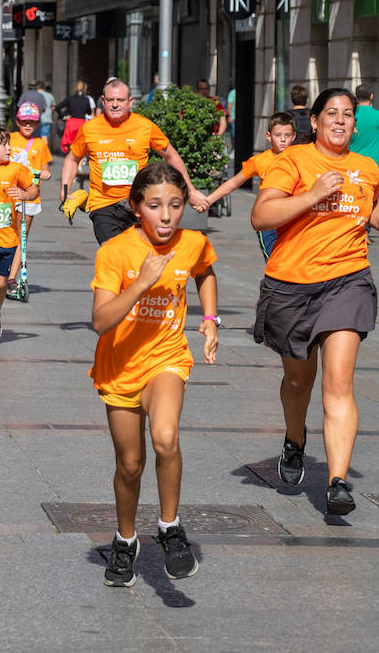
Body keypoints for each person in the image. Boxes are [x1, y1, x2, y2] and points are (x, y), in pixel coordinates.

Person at [251, 87, 379, 516]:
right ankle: (295, 439)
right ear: (313, 122)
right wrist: (313, 194)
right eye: (331, 113)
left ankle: (337, 481)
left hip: (348, 281)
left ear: (356, 123)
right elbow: (261, 216)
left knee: (339, 383)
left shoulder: (366, 166)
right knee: (299, 381)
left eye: (347, 114)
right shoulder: (293, 161)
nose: (340, 120)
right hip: (292, 285)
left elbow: (368, 200)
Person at [92, 163, 218, 587]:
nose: (166, 216)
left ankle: (170, 527)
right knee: (129, 465)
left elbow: (204, 271)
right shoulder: (115, 252)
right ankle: (125, 540)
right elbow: (100, 321)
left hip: (167, 356)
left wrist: (211, 318)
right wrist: (142, 282)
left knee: (166, 438)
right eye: (155, 206)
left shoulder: (193, 243)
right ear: (136, 207)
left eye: (176, 205)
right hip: (120, 365)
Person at [60, 77, 209, 244]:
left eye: (120, 100)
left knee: (139, 259)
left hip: (139, 205)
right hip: (103, 205)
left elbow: (171, 156)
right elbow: (72, 159)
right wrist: (65, 191)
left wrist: (190, 190)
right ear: (103, 101)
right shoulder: (90, 129)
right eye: (110, 100)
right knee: (113, 253)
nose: (115, 104)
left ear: (130, 101)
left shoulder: (145, 126)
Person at [0, 125, 38, 350]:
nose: (10, 149)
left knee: (1, 284)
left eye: (9, 144)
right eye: (4, 145)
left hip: (8, 239)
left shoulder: (15, 170)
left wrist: (24, 194)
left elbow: (33, 189)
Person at [202, 112, 297, 258]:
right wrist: (209, 200)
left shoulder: (300, 158)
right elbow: (234, 182)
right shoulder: (259, 161)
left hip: (292, 218)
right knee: (272, 259)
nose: (283, 140)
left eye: (287, 135)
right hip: (268, 220)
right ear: (268, 136)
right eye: (278, 135)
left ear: (294, 136)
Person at [9, 102, 52, 286]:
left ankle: (12, 278)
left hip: (30, 195)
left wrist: (45, 174)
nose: (28, 125)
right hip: (8, 193)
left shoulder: (40, 145)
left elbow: (45, 168)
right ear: (17, 121)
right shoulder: (9, 138)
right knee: (5, 233)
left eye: (32, 122)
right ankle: (2, 272)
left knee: (21, 237)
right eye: (24, 121)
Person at [350, 84, 379, 167]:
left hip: (353, 163)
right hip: (372, 164)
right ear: (371, 96)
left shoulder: (351, 114)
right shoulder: (378, 115)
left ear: (355, 96)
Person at [57, 80, 96, 154]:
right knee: (80, 145)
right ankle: (80, 165)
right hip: (81, 123)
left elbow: (58, 107)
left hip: (71, 123)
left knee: (70, 144)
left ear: (75, 88)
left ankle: (70, 159)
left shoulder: (70, 98)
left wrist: (63, 116)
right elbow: (89, 112)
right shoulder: (86, 99)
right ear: (84, 89)